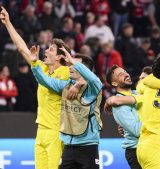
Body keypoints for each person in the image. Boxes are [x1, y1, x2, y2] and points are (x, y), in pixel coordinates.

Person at [0, 7, 80, 169]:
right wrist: (8, 23)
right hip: (41, 129)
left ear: (59, 57)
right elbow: (21, 47)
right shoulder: (42, 68)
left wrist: (79, 83)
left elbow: (82, 72)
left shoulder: (65, 72)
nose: (46, 50)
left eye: (51, 49)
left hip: (56, 132)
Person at [30, 46, 103, 169]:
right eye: (70, 64)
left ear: (84, 69)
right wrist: (34, 63)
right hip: (69, 145)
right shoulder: (65, 86)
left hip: (88, 145)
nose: (69, 66)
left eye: (73, 65)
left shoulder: (93, 89)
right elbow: (44, 80)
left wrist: (74, 63)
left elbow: (95, 81)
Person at [106, 65, 142, 169]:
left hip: (147, 146)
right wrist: (158, 124)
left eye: (125, 71)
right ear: (114, 83)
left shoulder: (137, 94)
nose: (126, 74)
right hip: (136, 150)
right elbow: (136, 130)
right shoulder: (118, 105)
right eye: (121, 74)